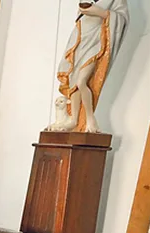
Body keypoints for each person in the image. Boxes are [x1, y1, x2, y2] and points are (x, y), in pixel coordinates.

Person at [48, 0, 129, 133]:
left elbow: (122, 18)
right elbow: (80, 14)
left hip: (96, 40)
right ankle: (74, 120)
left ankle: (90, 119)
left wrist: (101, 13)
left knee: (81, 81)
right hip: (80, 37)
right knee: (74, 79)